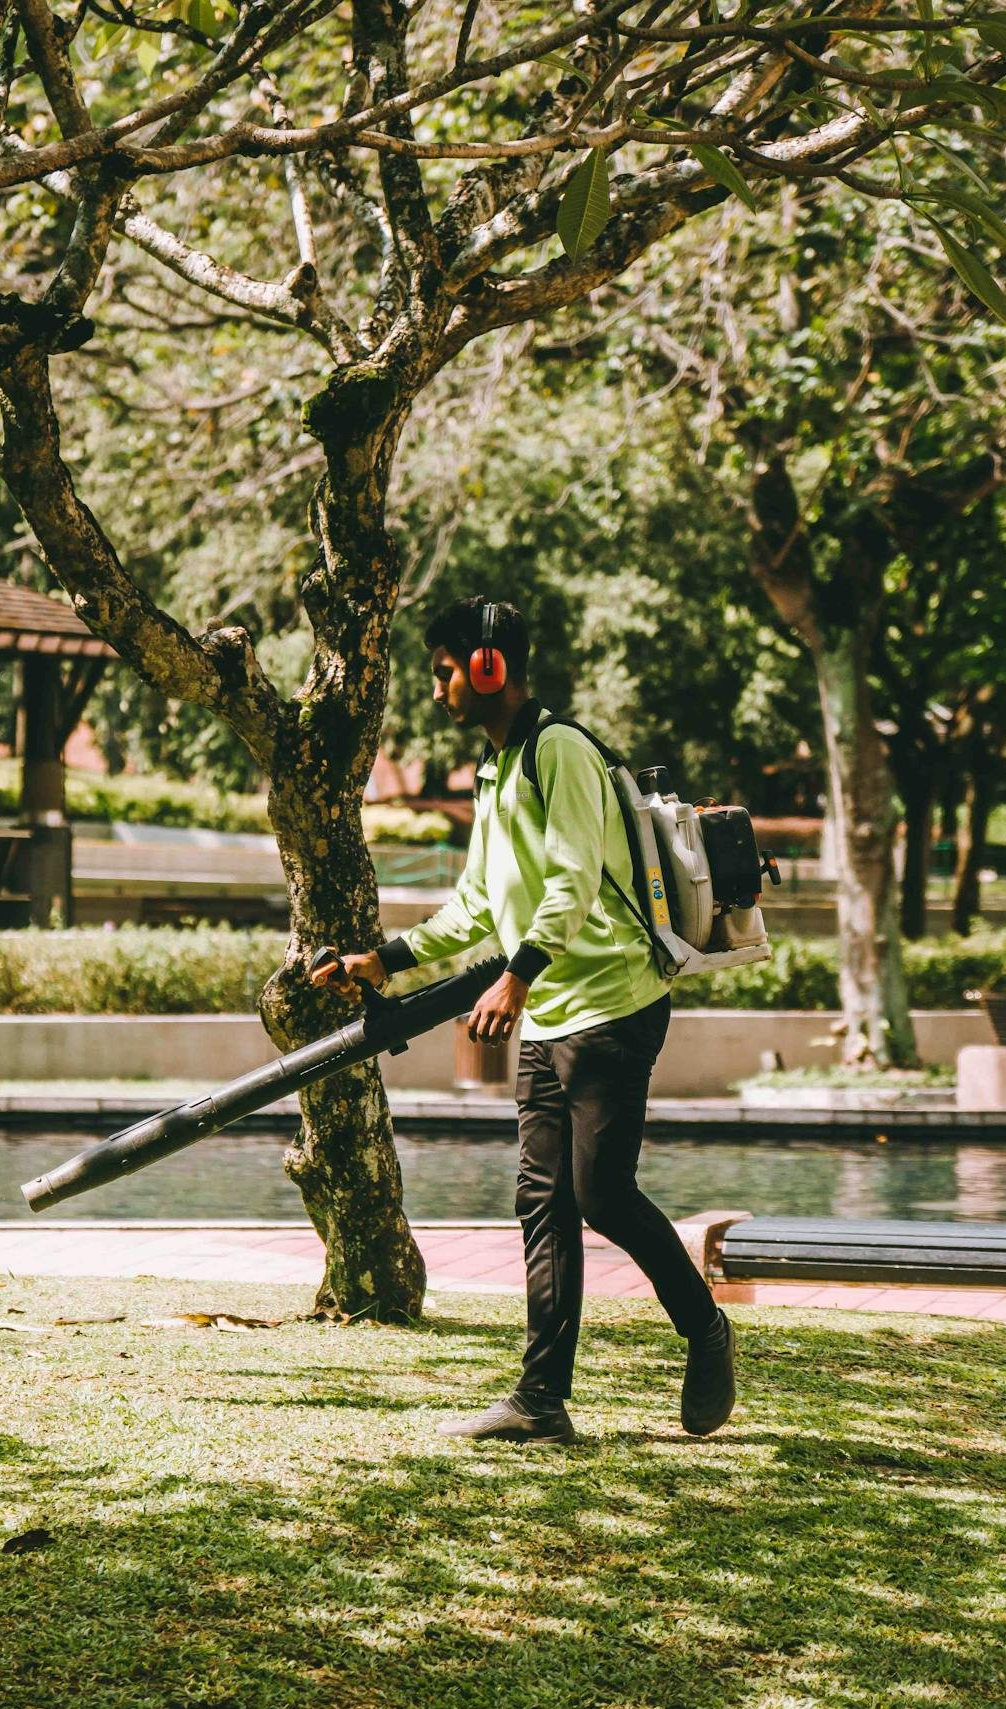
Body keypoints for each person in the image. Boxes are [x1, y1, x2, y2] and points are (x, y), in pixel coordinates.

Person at [312, 597, 735, 1446]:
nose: (435, 691)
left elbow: (573, 879)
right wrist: (385, 958)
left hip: (613, 1003)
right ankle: (542, 1401)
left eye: (441, 671)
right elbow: (478, 901)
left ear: (486, 666)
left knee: (602, 1195)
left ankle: (705, 1331)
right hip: (549, 1014)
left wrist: (516, 976)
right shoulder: (497, 768)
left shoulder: (559, 752)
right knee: (541, 1203)